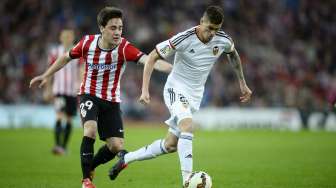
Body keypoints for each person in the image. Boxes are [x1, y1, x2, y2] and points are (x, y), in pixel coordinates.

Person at [109, 5, 252, 186]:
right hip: (175, 88)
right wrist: (144, 89)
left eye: (216, 30)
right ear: (201, 22)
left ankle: (126, 158)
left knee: (170, 145)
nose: (212, 33)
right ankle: (188, 180)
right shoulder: (184, 38)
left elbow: (233, 55)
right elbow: (152, 56)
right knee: (188, 126)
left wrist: (242, 82)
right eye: (209, 28)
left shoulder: (223, 40)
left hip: (194, 95)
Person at [30, 6, 172, 188]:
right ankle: (86, 181)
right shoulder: (87, 43)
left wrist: (171, 68)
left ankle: (92, 166)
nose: (118, 32)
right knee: (90, 130)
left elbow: (148, 60)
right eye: (113, 28)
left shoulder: (124, 47)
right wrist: (46, 75)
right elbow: (65, 57)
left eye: (120, 28)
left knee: (115, 146)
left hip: (111, 100)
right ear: (102, 28)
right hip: (88, 94)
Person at [44, 29, 82, 155]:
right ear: (60, 38)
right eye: (64, 36)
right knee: (59, 115)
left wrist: (80, 85)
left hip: (72, 91)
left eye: (69, 36)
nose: (67, 38)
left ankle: (63, 147)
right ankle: (57, 145)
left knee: (69, 119)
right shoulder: (55, 52)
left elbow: (81, 69)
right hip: (59, 91)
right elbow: (50, 70)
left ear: (73, 38)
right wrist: (48, 89)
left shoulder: (78, 52)